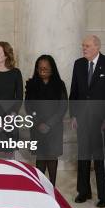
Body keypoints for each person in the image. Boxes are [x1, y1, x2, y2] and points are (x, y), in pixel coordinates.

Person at [70, 35, 105, 208]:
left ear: (97, 47)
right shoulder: (78, 64)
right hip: (83, 119)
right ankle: (83, 192)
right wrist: (74, 115)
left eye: (87, 46)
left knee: (101, 158)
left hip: (102, 121)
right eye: (82, 45)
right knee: (83, 157)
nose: (83, 48)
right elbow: (74, 92)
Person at [24, 55, 68, 186]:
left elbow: (63, 106)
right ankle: (41, 187)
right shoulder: (31, 84)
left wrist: (49, 124)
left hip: (54, 128)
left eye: (46, 68)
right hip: (37, 127)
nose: (42, 70)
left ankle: (52, 187)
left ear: (52, 69)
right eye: (40, 68)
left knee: (52, 156)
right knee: (41, 156)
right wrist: (38, 123)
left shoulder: (60, 85)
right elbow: (28, 106)